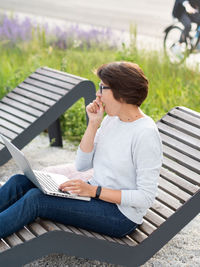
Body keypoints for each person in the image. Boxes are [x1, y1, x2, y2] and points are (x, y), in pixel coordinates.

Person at [0, 61, 163, 239]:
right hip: (94, 196)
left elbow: (146, 197)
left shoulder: (145, 134)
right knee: (19, 181)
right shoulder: (111, 121)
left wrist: (94, 191)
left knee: (35, 199)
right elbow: (82, 164)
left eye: (103, 88)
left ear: (121, 92)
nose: (97, 94)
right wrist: (93, 124)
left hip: (119, 215)